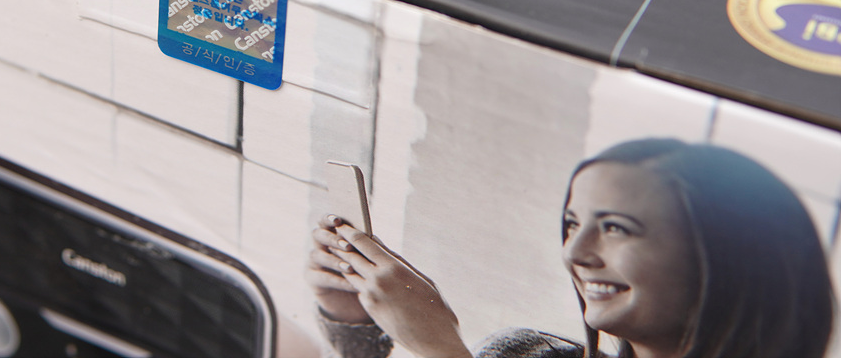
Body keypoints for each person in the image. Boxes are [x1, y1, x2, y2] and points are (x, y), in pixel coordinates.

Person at [307, 139, 835, 358]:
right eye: (572, 223)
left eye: (617, 228)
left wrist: (440, 347)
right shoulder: (527, 355)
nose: (574, 253)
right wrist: (355, 320)